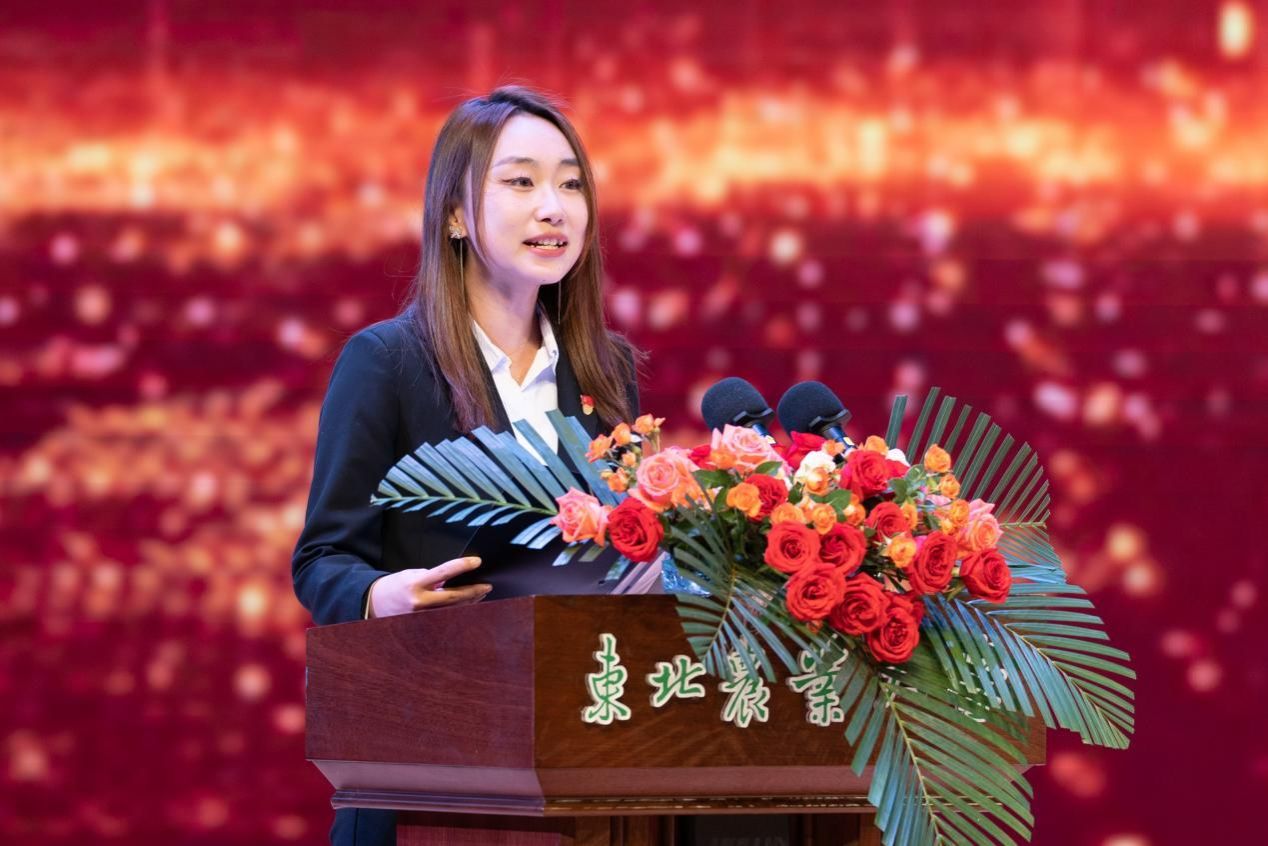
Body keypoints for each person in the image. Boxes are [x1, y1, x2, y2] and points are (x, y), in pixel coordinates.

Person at [291, 86, 641, 846]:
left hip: (575, 772)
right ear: (455, 214)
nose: (553, 208)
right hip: (427, 762)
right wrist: (380, 594)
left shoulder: (605, 371)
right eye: (521, 182)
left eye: (571, 185)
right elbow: (322, 559)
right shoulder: (388, 362)